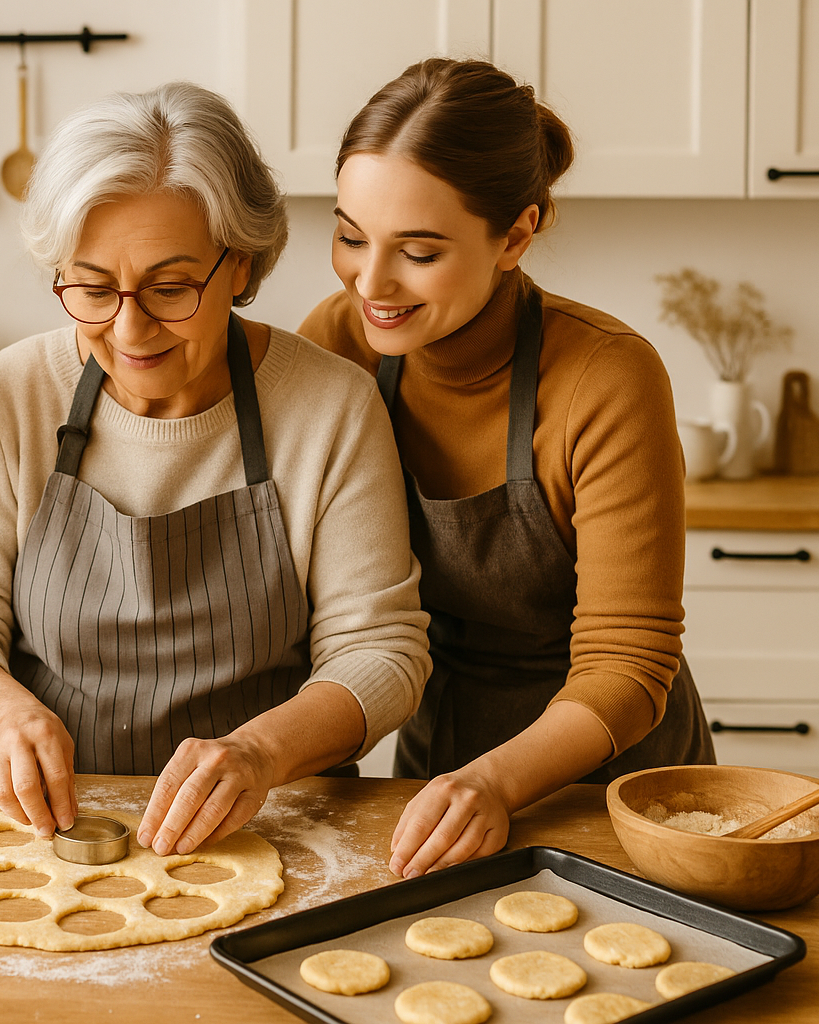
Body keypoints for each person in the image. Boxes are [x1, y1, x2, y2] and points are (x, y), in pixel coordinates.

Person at [0, 82, 431, 857]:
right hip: (47, 832)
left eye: (170, 288)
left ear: (241, 267)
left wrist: (263, 753)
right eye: (90, 289)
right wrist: (0, 713)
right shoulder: (14, 394)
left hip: (273, 830)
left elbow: (380, 650)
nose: (128, 328)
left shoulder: (331, 407)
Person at [298, 58, 714, 879]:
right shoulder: (339, 345)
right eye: (350, 236)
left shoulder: (605, 377)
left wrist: (495, 779)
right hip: (437, 755)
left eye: (417, 251)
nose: (370, 283)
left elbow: (629, 661)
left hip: (613, 780)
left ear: (516, 235)